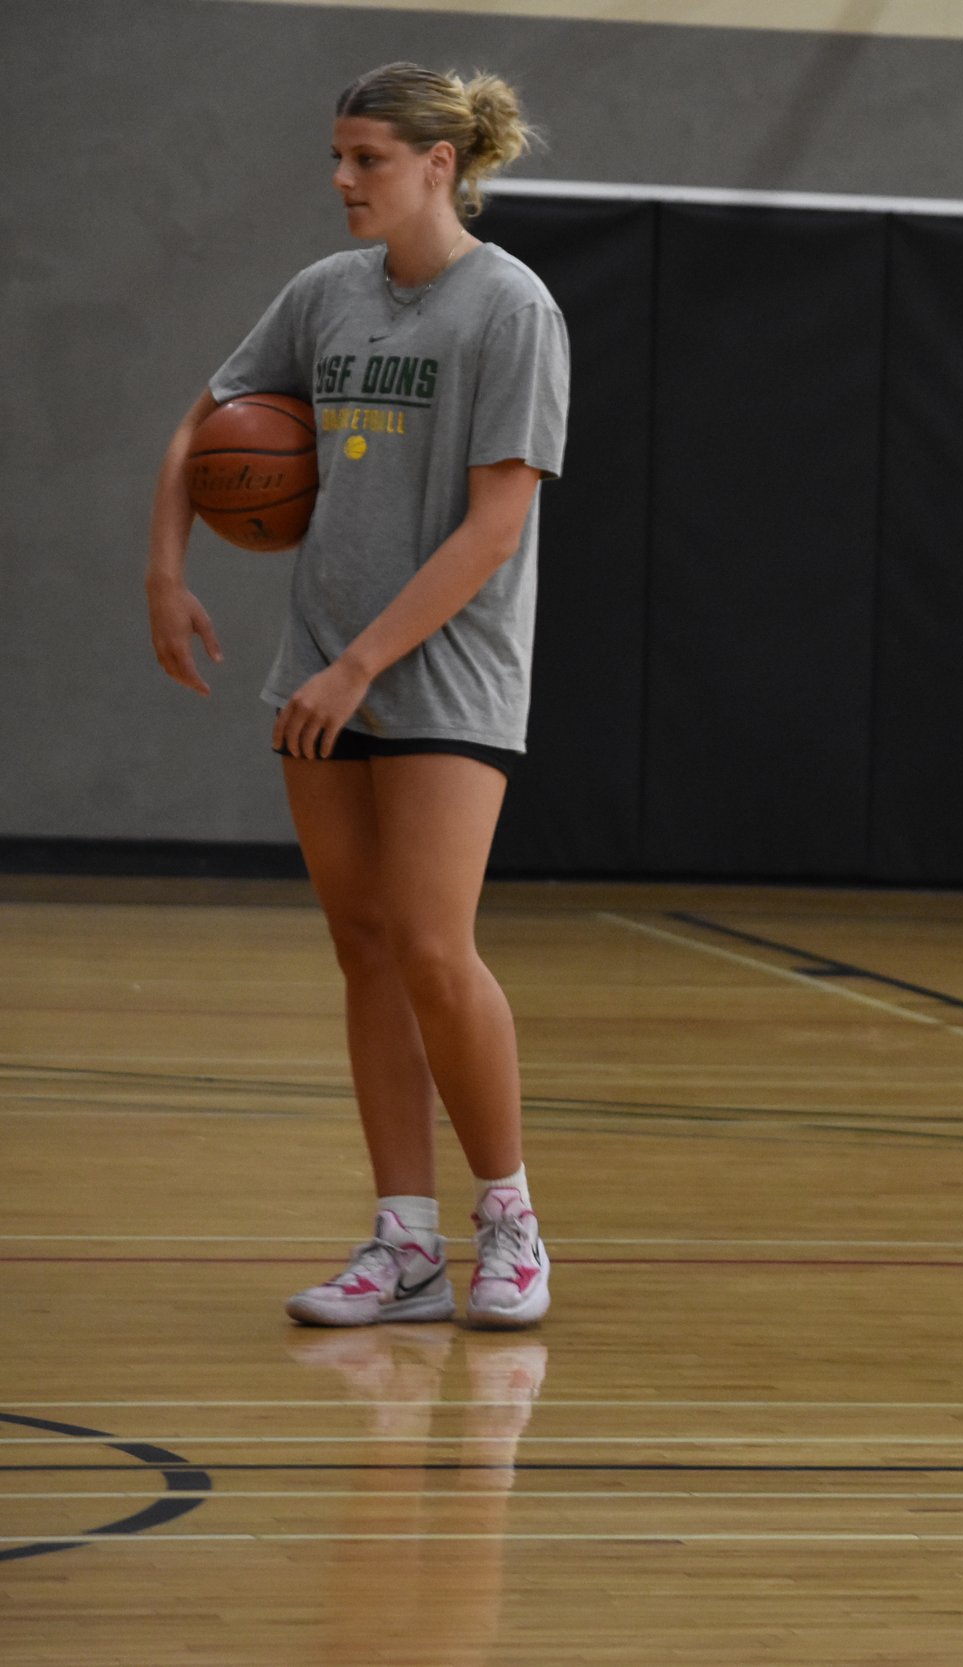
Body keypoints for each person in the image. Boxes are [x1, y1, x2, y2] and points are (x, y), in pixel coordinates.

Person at [144, 63, 570, 1330]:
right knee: (366, 949)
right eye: (337, 155)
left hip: (442, 671)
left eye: (367, 157)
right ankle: (406, 1242)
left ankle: (511, 1222)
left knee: (434, 945)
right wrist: (166, 570)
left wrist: (361, 663)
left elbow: (495, 527)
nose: (341, 178)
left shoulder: (513, 308)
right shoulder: (324, 293)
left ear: (442, 164)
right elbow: (202, 425)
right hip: (324, 663)